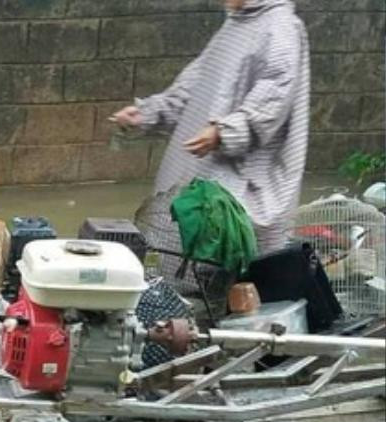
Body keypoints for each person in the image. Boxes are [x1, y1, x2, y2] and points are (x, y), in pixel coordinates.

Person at [110, 0, 310, 273]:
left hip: (243, 173)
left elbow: (274, 97)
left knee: (232, 262)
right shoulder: (236, 23)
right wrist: (148, 113)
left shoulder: (280, 27)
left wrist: (224, 132)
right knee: (183, 240)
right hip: (203, 165)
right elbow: (196, 84)